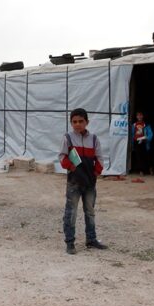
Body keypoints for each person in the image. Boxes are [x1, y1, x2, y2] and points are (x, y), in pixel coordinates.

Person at [59, 108, 108, 255]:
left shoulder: (94, 139)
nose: (78, 124)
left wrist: (96, 172)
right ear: (71, 123)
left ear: (87, 122)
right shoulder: (67, 138)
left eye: (81, 121)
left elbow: (99, 158)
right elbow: (62, 157)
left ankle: (91, 239)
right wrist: (73, 168)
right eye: (74, 122)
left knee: (90, 212)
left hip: (90, 183)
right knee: (71, 213)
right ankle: (70, 242)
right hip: (74, 182)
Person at [131, 111, 153, 176]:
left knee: (146, 156)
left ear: (143, 116)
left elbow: (150, 134)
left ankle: (149, 169)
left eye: (140, 115)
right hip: (137, 142)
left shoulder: (146, 124)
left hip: (144, 142)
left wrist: (147, 138)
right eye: (138, 115)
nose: (139, 117)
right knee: (138, 156)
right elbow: (132, 134)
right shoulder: (134, 125)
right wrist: (133, 141)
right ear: (136, 117)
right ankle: (141, 170)